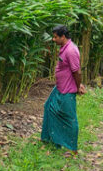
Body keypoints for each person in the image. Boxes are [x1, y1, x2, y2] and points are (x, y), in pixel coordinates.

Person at [41, 24, 86, 155]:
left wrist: (78, 87)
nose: (53, 39)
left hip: (67, 90)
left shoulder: (71, 50)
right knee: (49, 107)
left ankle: (72, 148)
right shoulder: (64, 48)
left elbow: (77, 72)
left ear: (63, 36)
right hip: (59, 88)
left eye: (55, 37)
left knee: (69, 118)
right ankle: (52, 140)